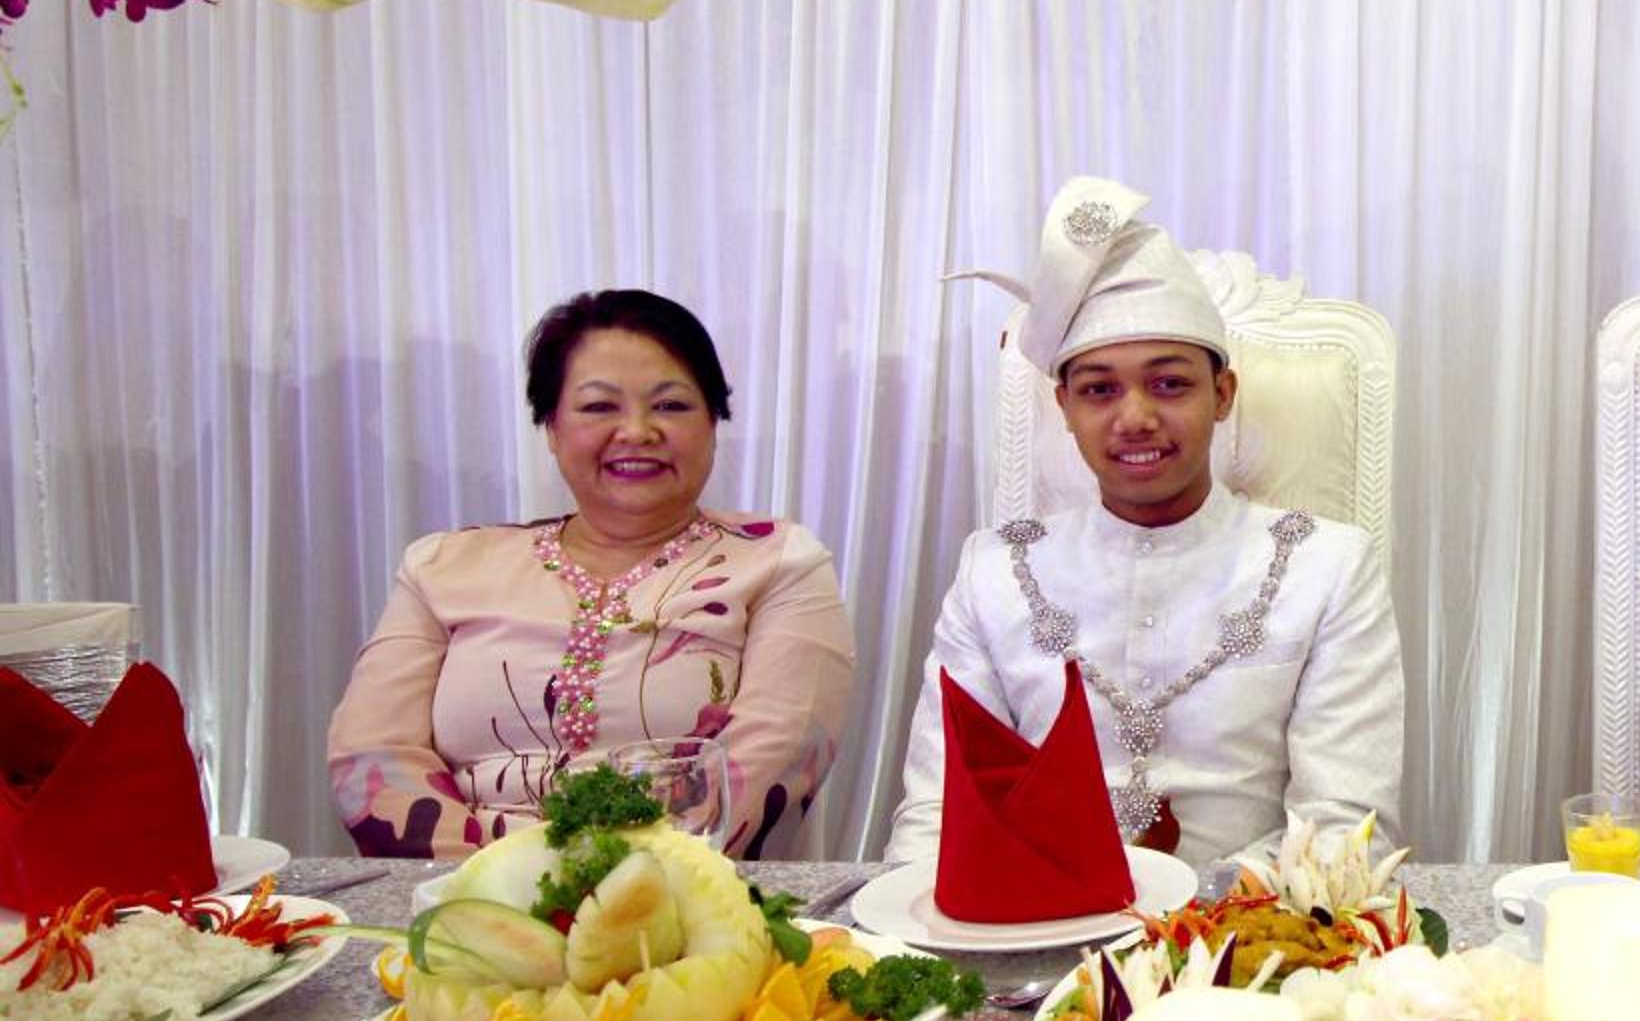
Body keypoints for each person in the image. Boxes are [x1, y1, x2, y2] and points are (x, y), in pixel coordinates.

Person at [885, 176, 1403, 868]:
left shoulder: (1327, 567)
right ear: (1065, 408)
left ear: (1222, 394)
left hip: (1260, 923)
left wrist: (1200, 917)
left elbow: (1343, 828)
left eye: (1169, 383)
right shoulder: (995, 572)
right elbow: (940, 810)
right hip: (1037, 917)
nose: (1135, 418)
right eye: (1099, 389)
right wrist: (914, 922)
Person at [327, 291, 856, 859]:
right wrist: (493, 882)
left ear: (713, 422)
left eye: (671, 405)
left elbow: (771, 763)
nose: (637, 431)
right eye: (600, 407)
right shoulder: (442, 565)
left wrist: (606, 879)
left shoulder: (778, 562)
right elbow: (372, 756)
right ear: (551, 428)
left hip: (679, 889)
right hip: (459, 890)